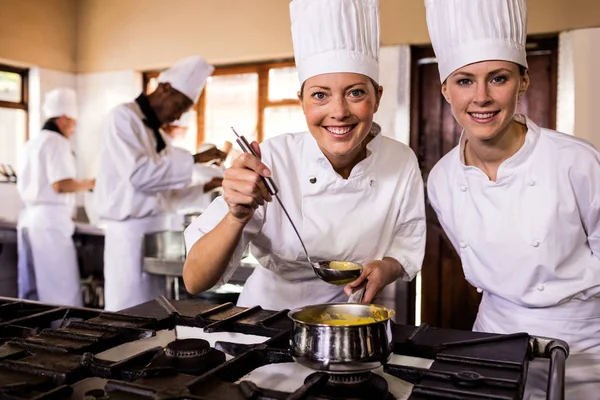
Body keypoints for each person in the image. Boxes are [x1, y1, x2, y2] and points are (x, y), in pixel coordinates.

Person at [183, 0, 426, 311]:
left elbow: (407, 242)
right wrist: (236, 216)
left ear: (377, 97)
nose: (338, 112)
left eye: (355, 92)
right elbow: (194, 280)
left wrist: (386, 268)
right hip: (269, 320)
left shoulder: (401, 161)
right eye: (320, 95)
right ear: (301, 101)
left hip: (352, 320)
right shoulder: (272, 159)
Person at [424, 0, 600, 397]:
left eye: (498, 78)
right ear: (446, 90)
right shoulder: (442, 179)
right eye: (465, 81)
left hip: (585, 348)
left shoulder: (576, 161)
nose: (481, 97)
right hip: (492, 340)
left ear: (524, 82)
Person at [95, 55, 226, 311]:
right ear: (165, 88)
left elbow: (166, 196)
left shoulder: (157, 136)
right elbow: (140, 175)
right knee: (129, 312)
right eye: (179, 106)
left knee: (154, 314)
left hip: (155, 232)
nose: (177, 116)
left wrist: (208, 186)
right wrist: (196, 158)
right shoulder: (122, 118)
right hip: (129, 235)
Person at [17, 88, 95, 306]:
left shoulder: (32, 142)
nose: (74, 129)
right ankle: (64, 338)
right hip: (50, 225)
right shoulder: (56, 142)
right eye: (73, 123)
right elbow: (61, 184)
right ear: (62, 119)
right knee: (62, 292)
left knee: (36, 293)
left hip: (32, 221)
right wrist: (92, 183)